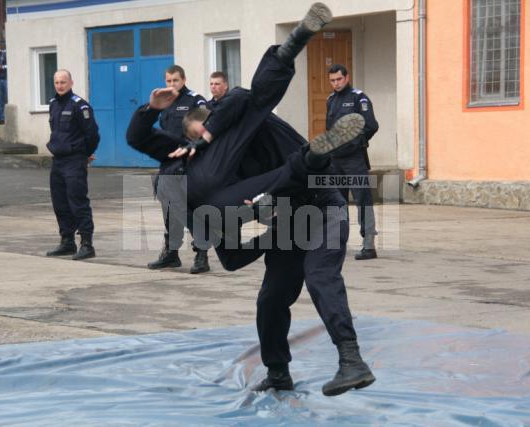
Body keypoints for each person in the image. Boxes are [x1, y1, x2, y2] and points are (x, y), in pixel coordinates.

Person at [128, 2, 376, 397]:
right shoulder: (205, 168)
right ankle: (278, 373)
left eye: (200, 132)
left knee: (320, 276)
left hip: (322, 202)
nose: (197, 140)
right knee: (271, 300)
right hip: (288, 220)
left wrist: (210, 135)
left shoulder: (240, 119)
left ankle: (352, 360)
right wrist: (262, 230)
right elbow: (230, 258)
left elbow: (246, 95)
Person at [148, 65, 211, 274]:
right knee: (168, 211)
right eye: (168, 81)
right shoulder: (164, 101)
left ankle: (202, 255)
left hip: (188, 164)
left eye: (175, 80)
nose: (171, 84)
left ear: (183, 80)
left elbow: (206, 130)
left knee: (191, 210)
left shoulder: (195, 100)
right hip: (168, 163)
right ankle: (171, 254)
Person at [45, 69, 100, 261]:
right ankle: (67, 241)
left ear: (71, 83)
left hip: (74, 160)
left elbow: (92, 134)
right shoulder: (53, 104)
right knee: (60, 202)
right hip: (58, 161)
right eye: (57, 82)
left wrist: (84, 155)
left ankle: (87, 244)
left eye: (63, 82)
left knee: (77, 201)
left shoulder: (80, 105)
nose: (60, 85)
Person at [326, 64, 379, 260]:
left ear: (347, 78)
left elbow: (371, 125)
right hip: (335, 161)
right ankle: (338, 243)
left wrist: (355, 143)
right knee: (336, 201)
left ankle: (369, 245)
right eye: (332, 80)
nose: (336, 83)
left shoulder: (358, 98)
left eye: (339, 79)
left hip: (354, 159)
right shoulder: (330, 100)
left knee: (362, 199)